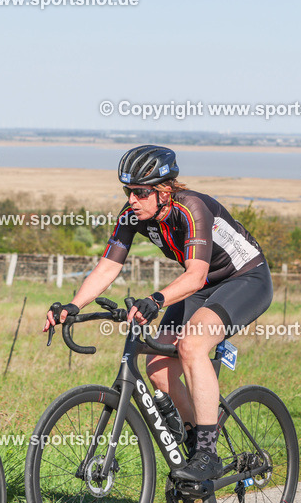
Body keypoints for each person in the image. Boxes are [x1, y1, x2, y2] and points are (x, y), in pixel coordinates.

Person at [43, 145, 273, 482]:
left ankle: (208, 453)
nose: (132, 199)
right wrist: (74, 306)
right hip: (203, 283)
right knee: (159, 371)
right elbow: (108, 267)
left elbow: (194, 274)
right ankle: (197, 443)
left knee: (192, 346)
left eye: (140, 192)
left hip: (245, 278)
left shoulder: (192, 207)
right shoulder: (133, 214)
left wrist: (157, 299)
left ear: (164, 191)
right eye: (128, 191)